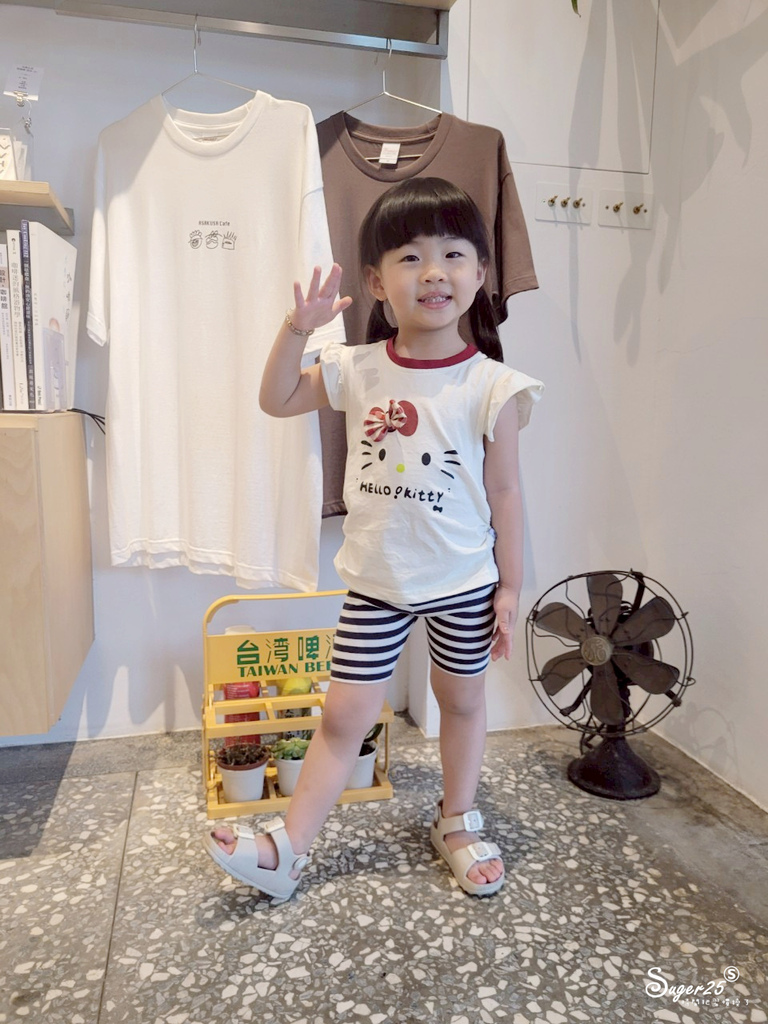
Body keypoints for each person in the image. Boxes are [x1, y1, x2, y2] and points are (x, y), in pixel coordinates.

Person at [205, 177, 544, 902]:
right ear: (376, 282)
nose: (434, 272)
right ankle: (287, 851)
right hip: (376, 586)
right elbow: (275, 399)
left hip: (464, 584)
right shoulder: (355, 368)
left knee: (461, 703)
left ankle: (457, 822)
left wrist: (512, 586)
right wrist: (297, 328)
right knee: (343, 718)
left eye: (453, 254)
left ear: (481, 275)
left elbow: (507, 495)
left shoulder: (494, 386)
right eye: (410, 256)